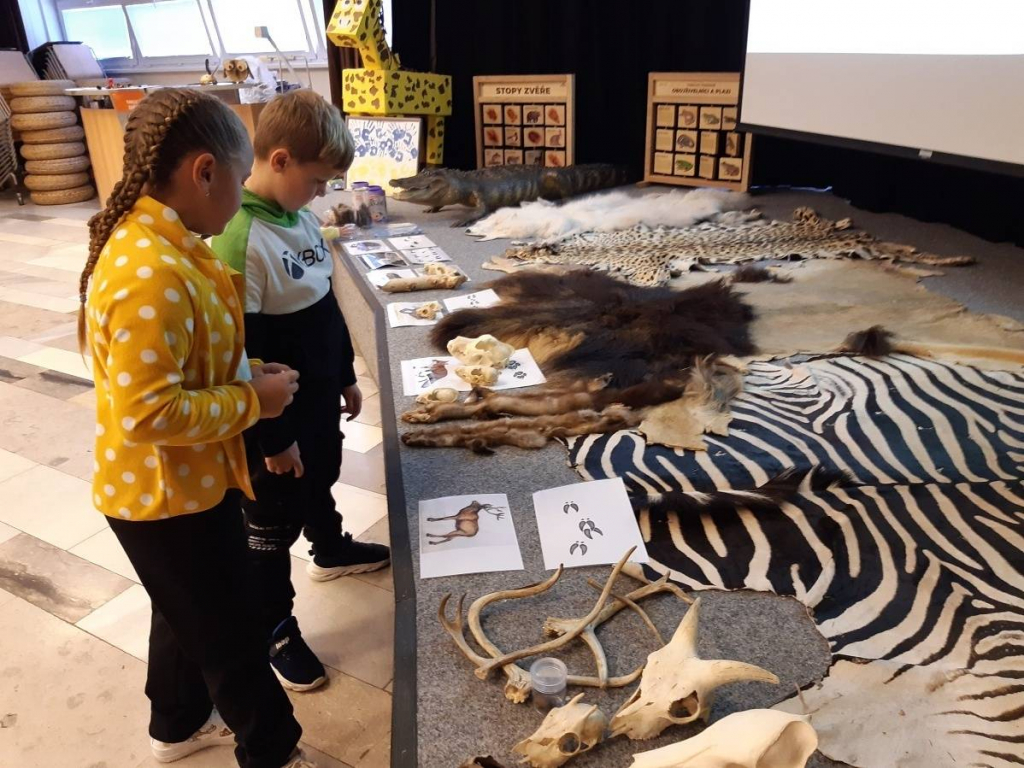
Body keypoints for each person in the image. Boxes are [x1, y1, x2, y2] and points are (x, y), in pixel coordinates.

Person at [81, 87, 318, 768]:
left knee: (186, 609)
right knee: (231, 632)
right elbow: (149, 413)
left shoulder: (170, 242)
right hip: (165, 498)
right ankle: (273, 749)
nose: (242, 197)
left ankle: (176, 723)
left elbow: (190, 358)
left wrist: (251, 372)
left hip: (184, 484)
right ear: (204, 172)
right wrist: (252, 401)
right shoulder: (148, 271)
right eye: (240, 181)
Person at [212, 90, 390, 692]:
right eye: (316, 181)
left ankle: (329, 545)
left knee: (320, 474)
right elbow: (241, 354)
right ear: (280, 160)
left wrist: (345, 374)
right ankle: (274, 626)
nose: (320, 194)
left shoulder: (301, 218)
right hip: (272, 419)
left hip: (314, 397)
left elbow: (325, 307)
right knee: (271, 520)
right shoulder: (240, 237)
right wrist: (273, 438)